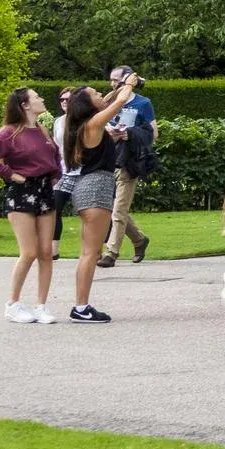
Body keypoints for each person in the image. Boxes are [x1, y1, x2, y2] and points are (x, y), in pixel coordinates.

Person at [60, 74, 141, 322]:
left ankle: (81, 306)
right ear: (88, 104)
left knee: (89, 253)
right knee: (90, 253)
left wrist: (116, 90)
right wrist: (128, 85)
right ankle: (81, 307)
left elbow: (108, 100)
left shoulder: (84, 126)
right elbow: (118, 103)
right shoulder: (93, 124)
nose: (100, 95)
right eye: (95, 94)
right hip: (96, 188)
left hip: (89, 187)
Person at [0, 88, 61, 324]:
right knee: (30, 252)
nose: (41, 99)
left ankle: (41, 306)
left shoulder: (42, 129)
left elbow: (55, 156)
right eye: (36, 97)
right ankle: (13, 304)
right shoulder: (9, 132)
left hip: (44, 191)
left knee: (46, 252)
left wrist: (56, 173)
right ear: (24, 105)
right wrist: (10, 175)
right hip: (22, 193)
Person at [97, 65, 154, 268]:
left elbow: (152, 134)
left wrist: (130, 134)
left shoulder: (142, 103)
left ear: (130, 80)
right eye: (111, 80)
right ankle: (139, 240)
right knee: (113, 208)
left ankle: (111, 252)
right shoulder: (108, 101)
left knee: (119, 207)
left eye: (117, 81)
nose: (113, 84)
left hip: (128, 161)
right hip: (106, 159)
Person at [49, 87, 81, 261]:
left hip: (85, 171)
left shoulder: (87, 120)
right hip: (65, 171)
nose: (64, 102)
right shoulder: (58, 121)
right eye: (61, 99)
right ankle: (53, 250)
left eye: (68, 99)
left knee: (93, 212)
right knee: (54, 207)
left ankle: (109, 249)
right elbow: (56, 147)